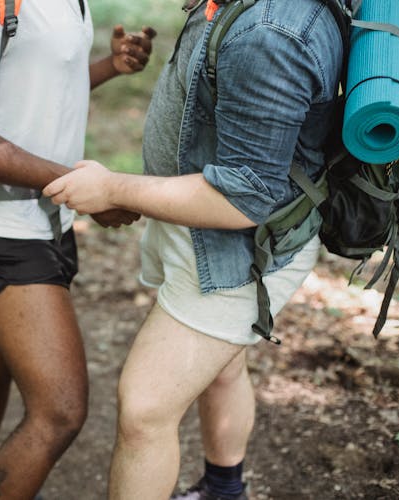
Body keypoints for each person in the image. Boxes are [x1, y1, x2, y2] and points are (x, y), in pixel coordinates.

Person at [43, 0, 345, 498]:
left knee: (144, 409)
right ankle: (224, 491)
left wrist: (114, 188)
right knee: (223, 366)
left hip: (234, 252)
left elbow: (243, 197)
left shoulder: (268, 33)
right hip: (199, 225)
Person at [0, 1, 156, 499]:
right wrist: (82, 186)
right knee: (60, 412)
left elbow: (34, 90)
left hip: (44, 215)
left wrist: (108, 68)